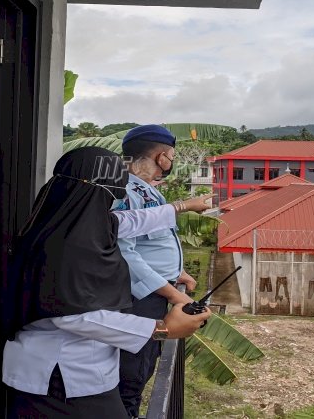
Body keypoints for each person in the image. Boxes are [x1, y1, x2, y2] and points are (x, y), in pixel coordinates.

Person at [1, 146, 212, 418]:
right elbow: (70, 316)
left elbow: (134, 220)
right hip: (60, 375)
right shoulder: (69, 245)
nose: (116, 201)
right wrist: (161, 329)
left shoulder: (70, 223)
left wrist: (182, 206)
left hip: (78, 372)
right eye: (114, 193)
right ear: (96, 191)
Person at [115, 125, 208, 417]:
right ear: (161, 156)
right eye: (171, 156)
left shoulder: (149, 192)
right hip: (139, 300)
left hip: (154, 294)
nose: (171, 162)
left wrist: (176, 274)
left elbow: (149, 245)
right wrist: (174, 295)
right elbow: (123, 253)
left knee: (142, 369)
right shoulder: (127, 191)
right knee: (130, 376)